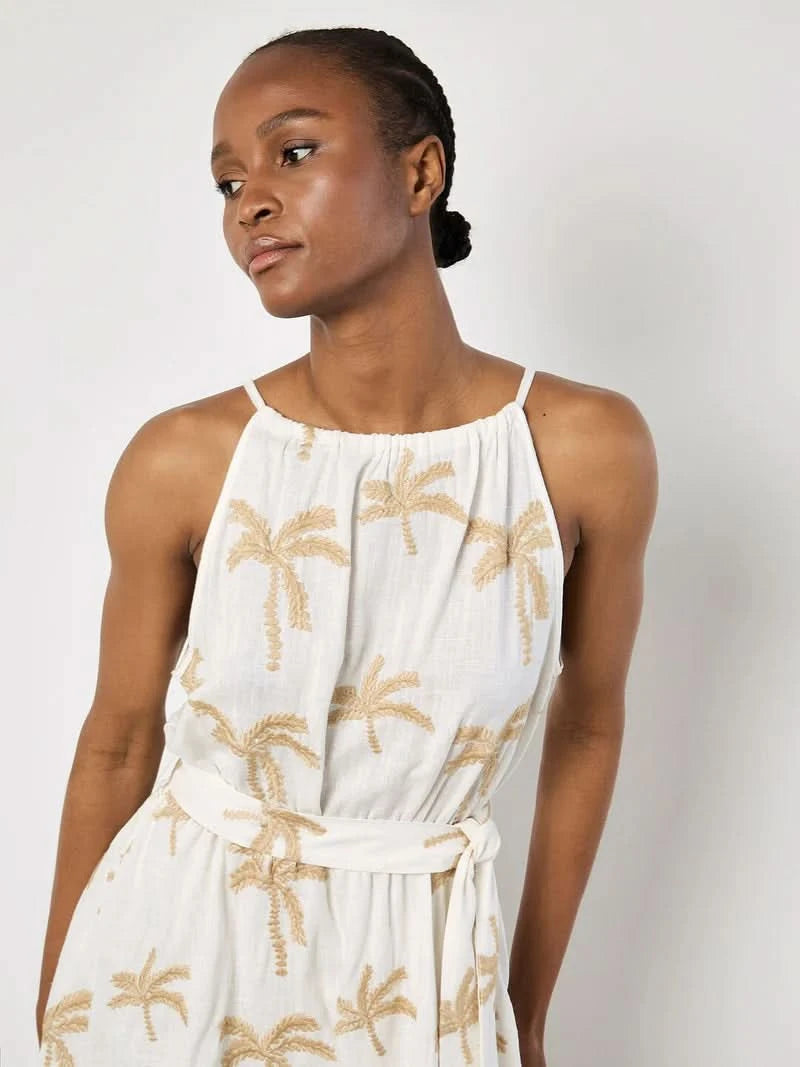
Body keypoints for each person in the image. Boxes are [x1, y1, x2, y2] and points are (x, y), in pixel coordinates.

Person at [35, 26, 658, 1066]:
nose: (249, 203)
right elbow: (116, 741)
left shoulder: (583, 450)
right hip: (167, 974)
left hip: (424, 983)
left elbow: (588, 725)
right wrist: (57, 1006)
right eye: (228, 181)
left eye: (293, 152)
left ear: (420, 173)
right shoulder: (185, 459)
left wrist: (526, 1009)